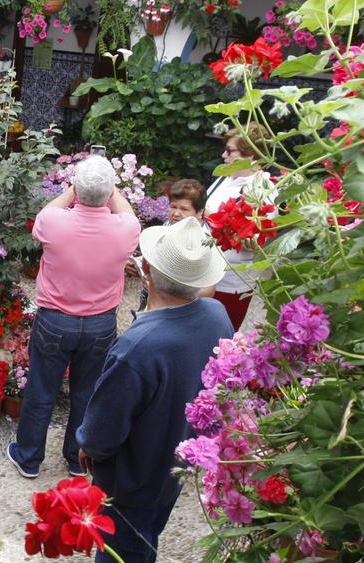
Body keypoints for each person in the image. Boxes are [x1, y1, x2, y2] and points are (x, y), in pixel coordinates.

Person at [75, 216, 233, 563]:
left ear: (145, 267)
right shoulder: (217, 314)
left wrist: (87, 446)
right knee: (148, 535)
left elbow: (101, 436)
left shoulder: (138, 346)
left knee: (125, 549)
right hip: (174, 465)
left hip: (132, 479)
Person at [7, 155, 140, 479]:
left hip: (55, 319)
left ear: (77, 190)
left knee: (41, 390)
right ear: (110, 193)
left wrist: (73, 188)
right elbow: (129, 214)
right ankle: (74, 459)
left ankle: (28, 458)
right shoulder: (125, 229)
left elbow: (46, 213)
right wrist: (110, 190)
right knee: (87, 393)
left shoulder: (55, 223)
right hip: (100, 324)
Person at [204, 126, 273, 331]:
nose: (223, 155)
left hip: (230, 282)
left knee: (218, 337)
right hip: (205, 273)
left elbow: (255, 244)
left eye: (230, 150)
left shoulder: (263, 189)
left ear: (250, 154)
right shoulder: (226, 178)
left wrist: (216, 221)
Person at [126, 178, 214, 312]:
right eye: (173, 207)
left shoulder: (206, 241)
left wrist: (160, 288)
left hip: (180, 309)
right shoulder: (169, 225)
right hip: (152, 299)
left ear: (200, 212)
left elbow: (208, 291)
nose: (176, 214)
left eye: (184, 209)